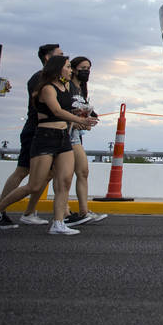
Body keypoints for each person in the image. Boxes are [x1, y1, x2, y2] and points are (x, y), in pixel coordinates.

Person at [0, 55, 96, 236]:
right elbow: (56, 111)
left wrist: (82, 115)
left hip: (63, 138)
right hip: (46, 137)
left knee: (64, 182)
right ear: (58, 69)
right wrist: (79, 119)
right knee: (35, 185)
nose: (70, 70)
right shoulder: (46, 89)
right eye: (68, 67)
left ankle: (58, 222)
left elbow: (66, 110)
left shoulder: (66, 88)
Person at [0, 43, 61, 228]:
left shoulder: (53, 80)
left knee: (49, 174)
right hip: (35, 130)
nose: (65, 59)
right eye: (60, 55)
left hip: (49, 132)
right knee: (22, 171)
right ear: (48, 58)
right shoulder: (40, 78)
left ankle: (29, 212)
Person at [63, 56, 103, 226]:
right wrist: (77, 120)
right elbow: (61, 109)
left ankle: (83, 211)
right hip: (65, 134)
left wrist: (87, 119)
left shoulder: (81, 89)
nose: (86, 71)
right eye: (83, 67)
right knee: (61, 177)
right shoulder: (67, 87)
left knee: (82, 172)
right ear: (73, 68)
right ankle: (64, 212)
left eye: (89, 68)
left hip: (76, 135)